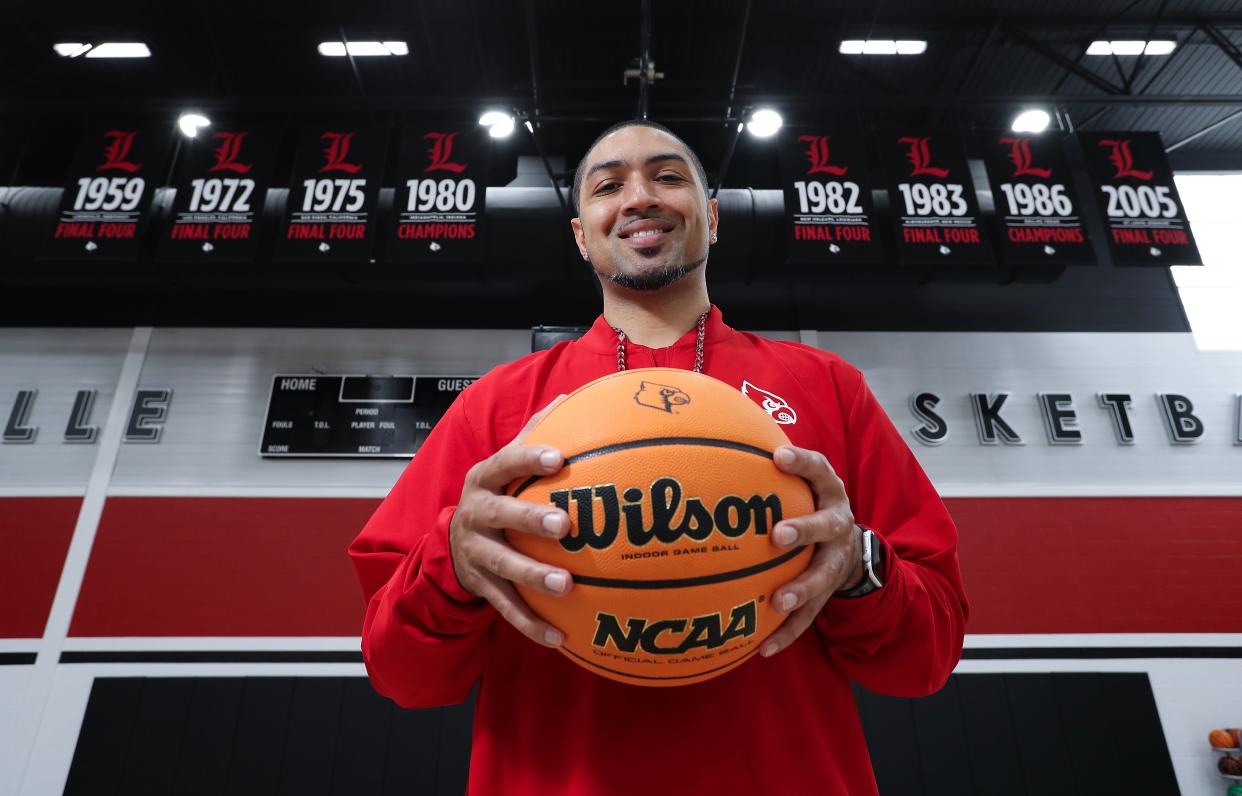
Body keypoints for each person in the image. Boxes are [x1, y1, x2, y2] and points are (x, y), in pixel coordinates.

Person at [349, 120, 968, 795]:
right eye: (608, 185)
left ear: (711, 216)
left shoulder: (828, 388)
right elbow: (402, 676)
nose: (639, 197)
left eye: (669, 177)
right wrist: (452, 561)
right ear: (582, 235)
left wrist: (858, 565)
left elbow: (925, 663)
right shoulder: (493, 410)